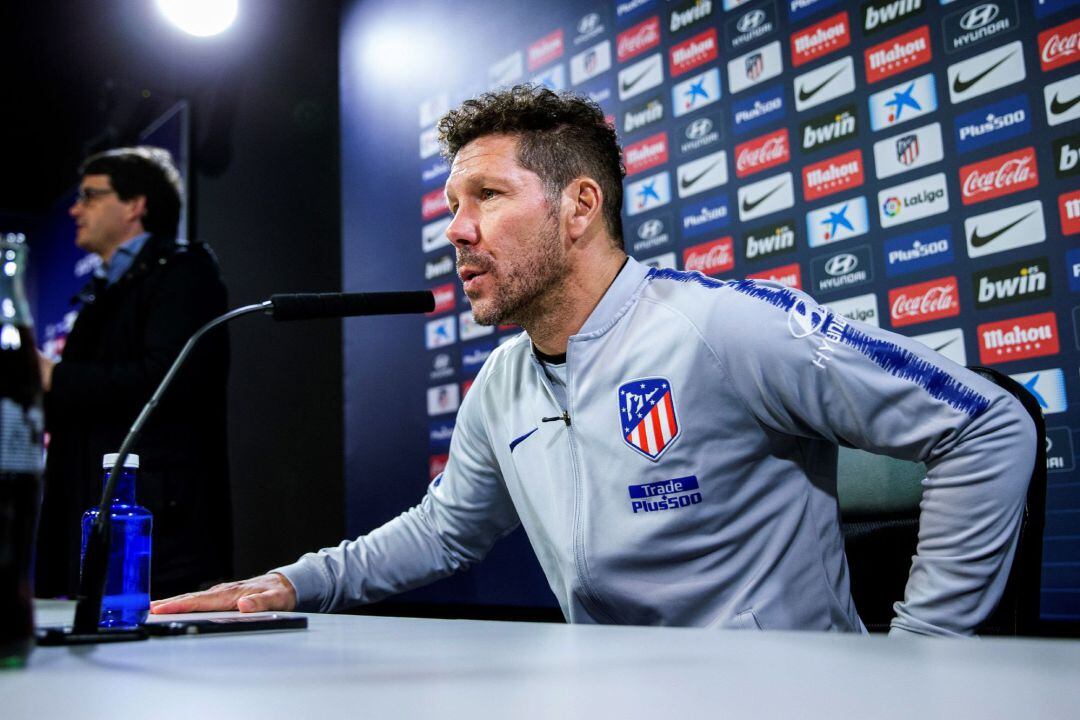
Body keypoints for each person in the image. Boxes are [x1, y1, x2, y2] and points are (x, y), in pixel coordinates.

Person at [152, 86, 1034, 636]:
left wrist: (922, 661)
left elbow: (988, 424)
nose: (455, 229)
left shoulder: (721, 328)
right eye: (452, 204)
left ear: (579, 208)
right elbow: (444, 529)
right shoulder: (503, 381)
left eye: (487, 196)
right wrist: (287, 584)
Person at [36, 146, 232, 600]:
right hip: (87, 513)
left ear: (135, 205)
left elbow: (166, 379)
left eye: (90, 195)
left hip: (157, 528)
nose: (74, 208)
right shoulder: (100, 291)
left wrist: (55, 376)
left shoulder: (184, 272)